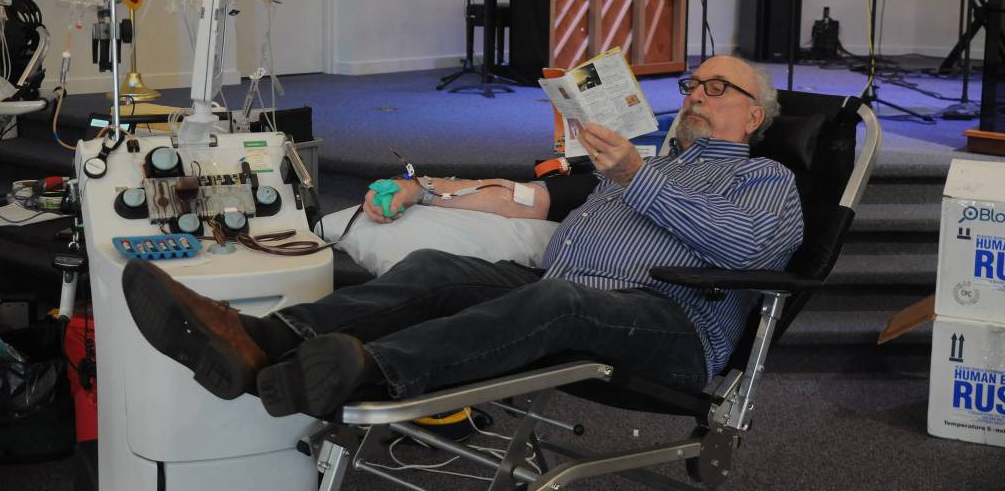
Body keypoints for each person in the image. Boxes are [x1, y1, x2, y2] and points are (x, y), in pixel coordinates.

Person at [122, 55, 803, 420]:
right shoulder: (648, 160)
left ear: (753, 113)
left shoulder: (766, 178)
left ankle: (366, 369)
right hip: (570, 291)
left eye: (716, 87)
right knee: (437, 269)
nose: (694, 95)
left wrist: (636, 178)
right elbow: (537, 203)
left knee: (556, 304)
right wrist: (429, 188)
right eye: (693, 83)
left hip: (673, 328)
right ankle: (264, 339)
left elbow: (747, 249)